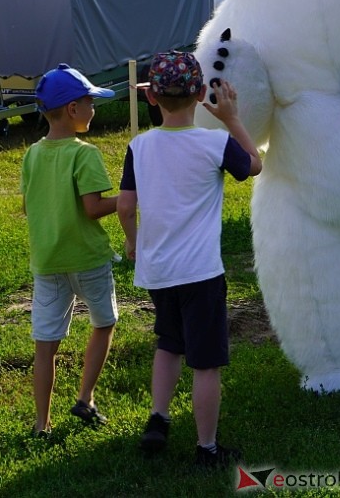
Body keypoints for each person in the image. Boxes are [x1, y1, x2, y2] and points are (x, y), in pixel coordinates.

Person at [117, 51, 263, 469]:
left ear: (150, 97)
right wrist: (232, 119)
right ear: (201, 94)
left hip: (159, 270)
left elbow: (126, 206)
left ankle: (158, 419)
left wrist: (133, 243)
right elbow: (254, 165)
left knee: (168, 343)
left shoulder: (138, 146)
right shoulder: (215, 143)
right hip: (200, 273)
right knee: (206, 362)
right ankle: (207, 448)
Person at [20, 63, 119, 438]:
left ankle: (41, 424)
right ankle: (85, 398)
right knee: (104, 323)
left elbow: (29, 206)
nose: (94, 109)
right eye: (90, 102)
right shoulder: (84, 153)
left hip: (47, 263)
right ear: (73, 110)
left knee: (45, 346)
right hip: (88, 258)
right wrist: (130, 199)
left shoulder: (31, 155)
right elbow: (93, 208)